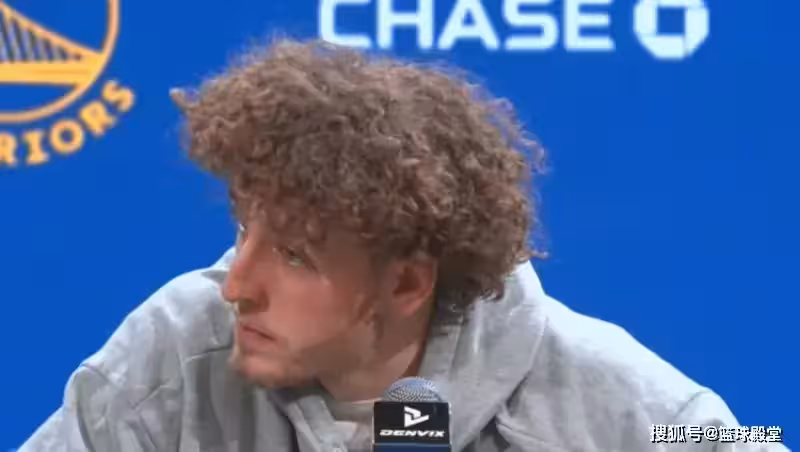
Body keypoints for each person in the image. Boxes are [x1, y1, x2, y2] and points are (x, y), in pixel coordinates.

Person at [20, 38, 786, 452]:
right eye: (244, 229)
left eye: (295, 256)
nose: (237, 286)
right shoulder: (174, 354)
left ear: (407, 284)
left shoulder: (617, 406)